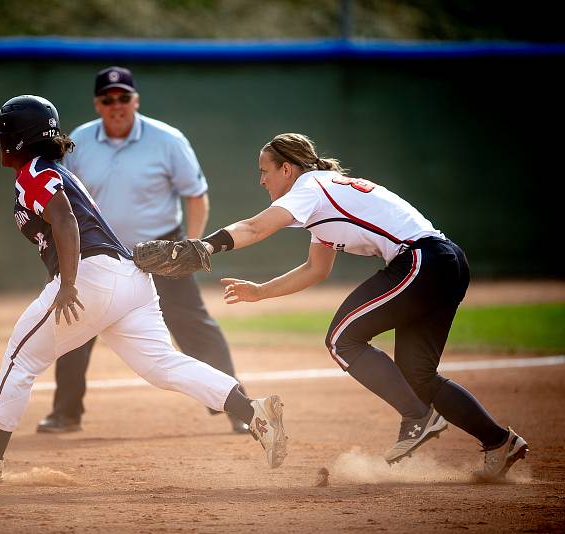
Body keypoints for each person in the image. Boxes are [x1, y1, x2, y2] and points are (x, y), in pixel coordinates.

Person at [0, 95, 287, 485]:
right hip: (130, 281)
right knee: (162, 366)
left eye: (3, 135)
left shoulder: (34, 173)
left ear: (17, 139)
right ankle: (252, 412)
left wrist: (68, 284)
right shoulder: (57, 172)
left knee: (20, 360)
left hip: (91, 277)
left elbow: (66, 222)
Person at [195, 132, 528, 480]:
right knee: (418, 375)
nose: (261, 179)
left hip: (420, 260)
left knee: (343, 339)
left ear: (287, 169)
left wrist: (204, 247)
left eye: (265, 170)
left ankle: (417, 418)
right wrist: (261, 291)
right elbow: (316, 269)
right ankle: (498, 442)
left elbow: (254, 227)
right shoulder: (324, 193)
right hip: (444, 261)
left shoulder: (311, 188)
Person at [36, 66, 248, 435]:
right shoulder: (79, 142)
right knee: (75, 324)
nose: (116, 105)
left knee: (193, 325)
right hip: (98, 251)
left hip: (163, 250)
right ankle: (65, 412)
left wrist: (191, 247)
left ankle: (237, 409)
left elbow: (196, 196)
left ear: (135, 100)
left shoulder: (167, 140)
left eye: (123, 98)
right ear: (97, 104)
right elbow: (59, 199)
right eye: (108, 99)